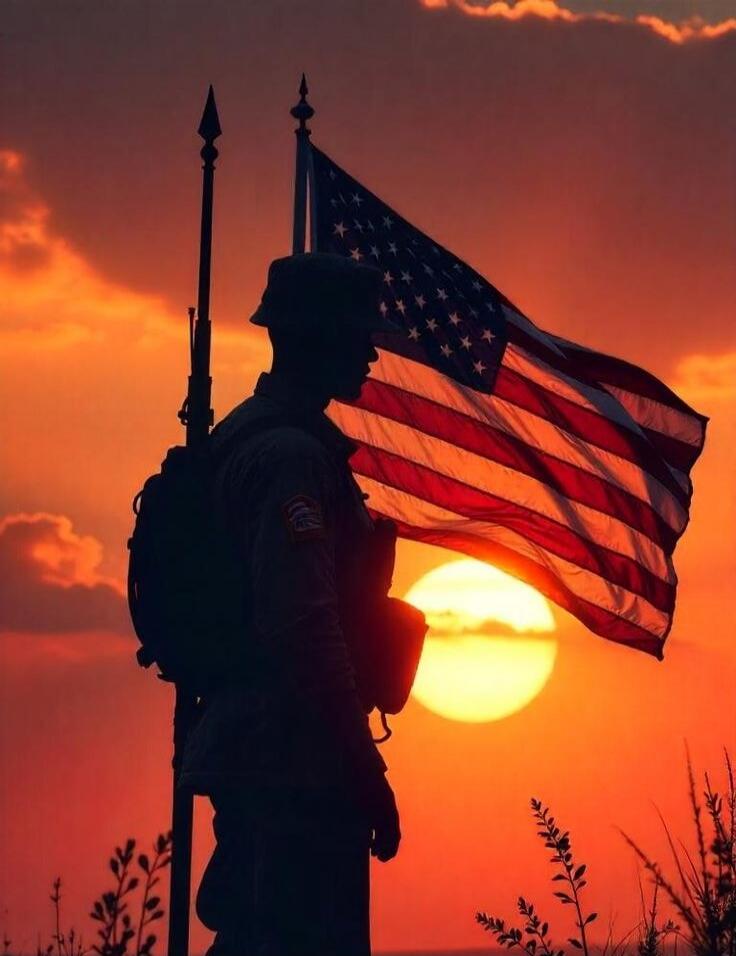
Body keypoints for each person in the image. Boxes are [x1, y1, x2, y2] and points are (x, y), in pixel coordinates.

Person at [179, 252, 403, 956]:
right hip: (291, 760)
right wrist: (366, 769)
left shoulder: (260, 440)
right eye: (355, 330)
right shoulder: (288, 459)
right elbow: (304, 626)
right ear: (315, 336)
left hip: (273, 752)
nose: (370, 348)